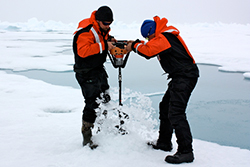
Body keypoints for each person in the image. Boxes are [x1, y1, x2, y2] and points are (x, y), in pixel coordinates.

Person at [126, 16, 199, 164]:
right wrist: (137, 44)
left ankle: (186, 152)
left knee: (176, 112)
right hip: (179, 76)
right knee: (165, 107)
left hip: (185, 76)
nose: (148, 39)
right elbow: (150, 46)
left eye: (148, 36)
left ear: (152, 31)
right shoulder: (161, 36)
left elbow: (149, 51)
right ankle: (164, 143)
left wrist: (134, 46)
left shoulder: (165, 37)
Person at [72, 6, 116, 148]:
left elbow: (100, 39)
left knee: (105, 97)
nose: (108, 26)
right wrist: (104, 45)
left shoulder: (99, 29)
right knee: (92, 102)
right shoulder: (86, 31)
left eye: (110, 23)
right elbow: (83, 51)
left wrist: (109, 40)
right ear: (98, 20)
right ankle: (87, 136)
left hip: (98, 70)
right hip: (86, 72)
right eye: (105, 23)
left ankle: (104, 129)